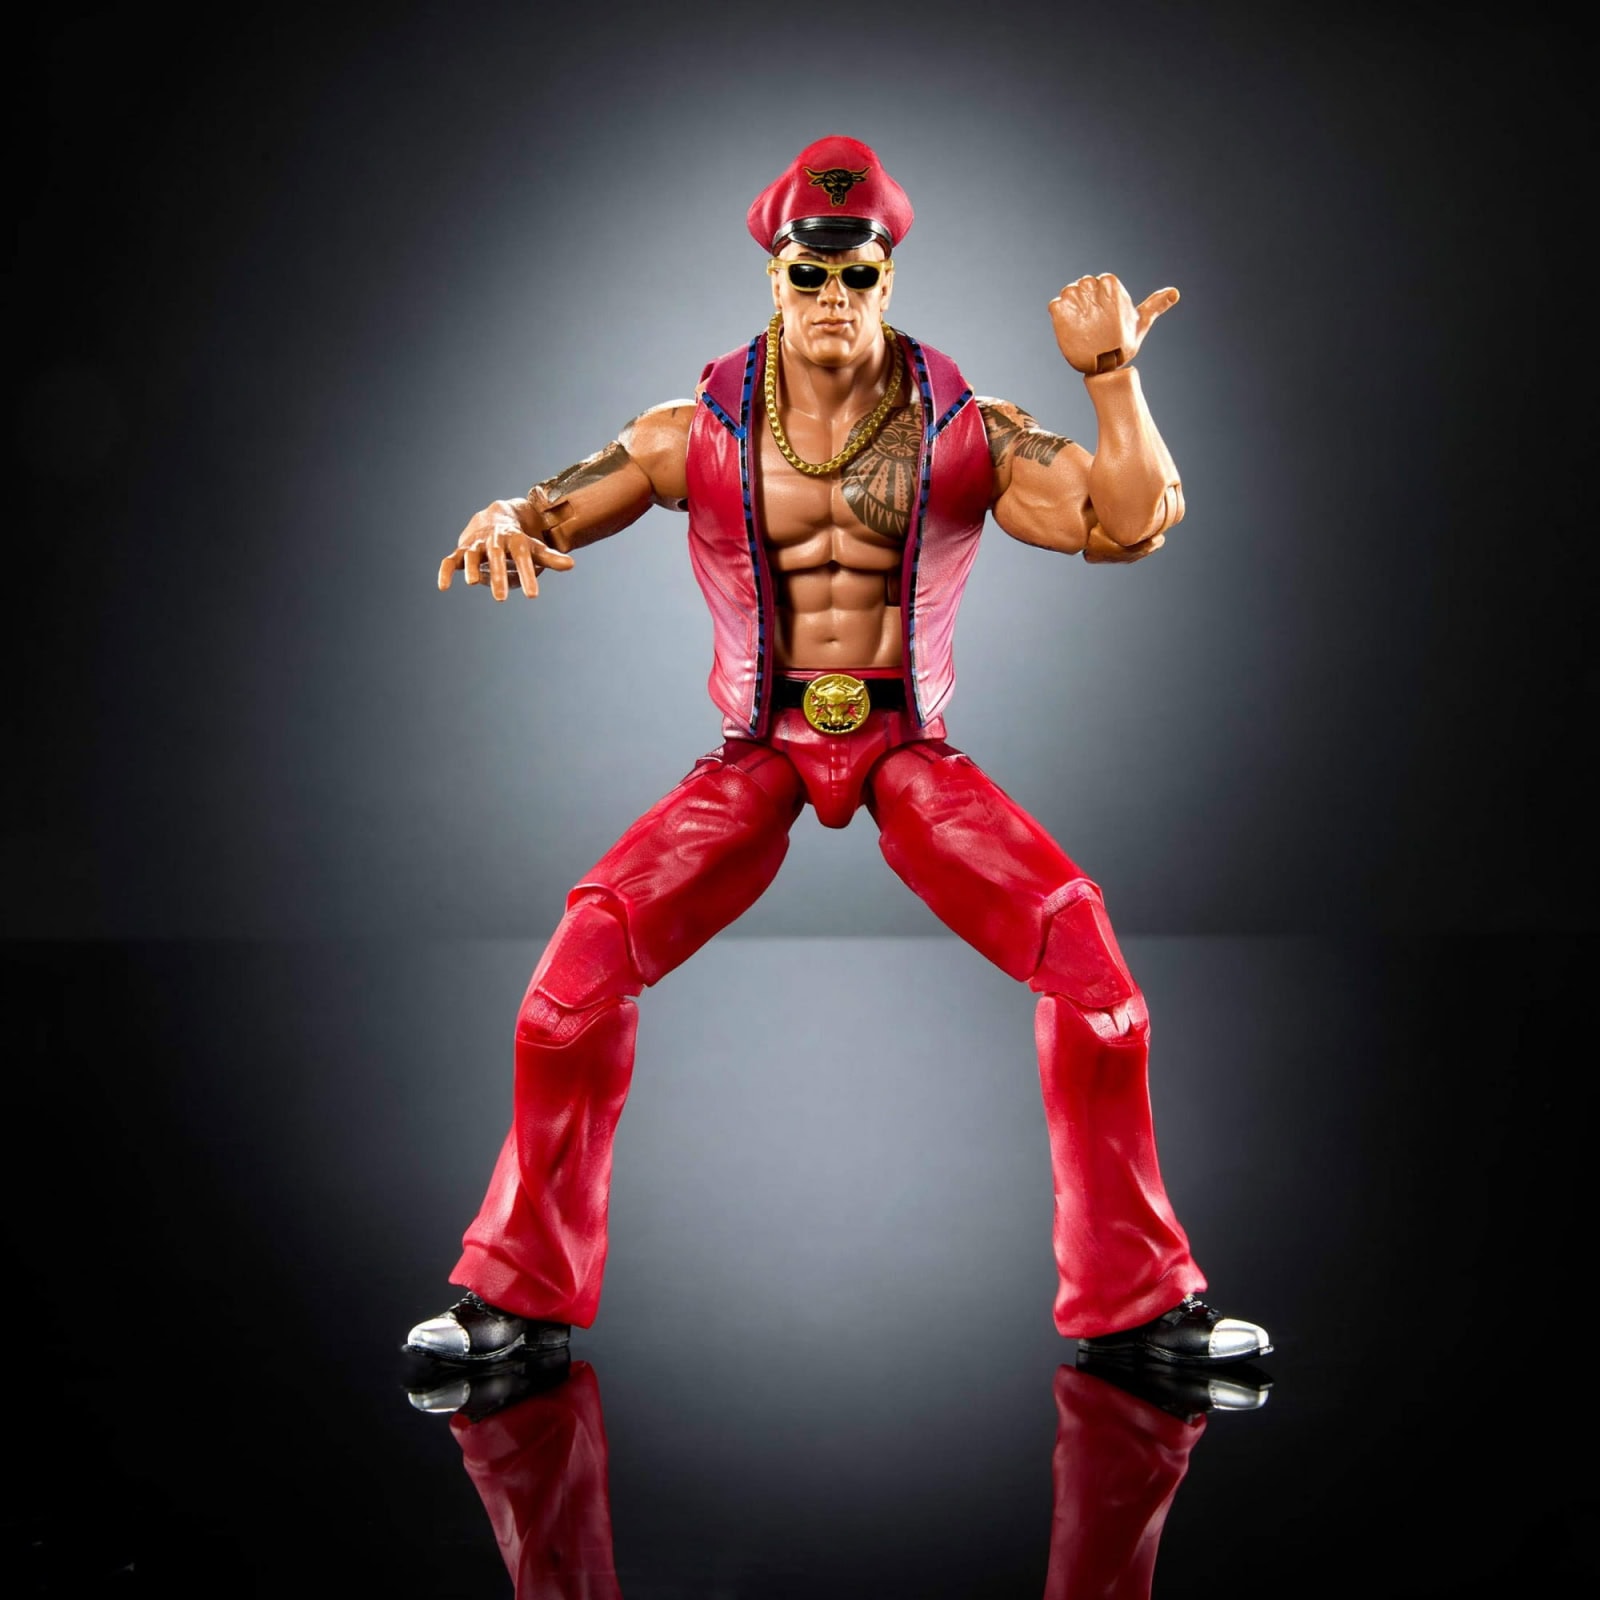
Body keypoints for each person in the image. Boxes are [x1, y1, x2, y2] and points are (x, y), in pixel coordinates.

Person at [407, 136, 1270, 1370]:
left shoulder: (965, 426)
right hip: (759, 742)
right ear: (773, 276)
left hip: (904, 741)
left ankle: (1138, 1303)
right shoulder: (691, 429)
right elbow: (545, 505)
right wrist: (500, 514)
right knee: (565, 991)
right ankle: (517, 1295)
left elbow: (1125, 525)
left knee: (1096, 982)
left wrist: (1113, 377)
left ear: (887, 278)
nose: (830, 298)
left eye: (854, 275)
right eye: (807, 275)